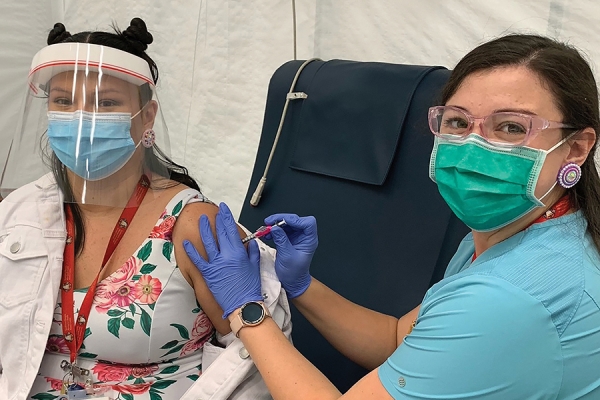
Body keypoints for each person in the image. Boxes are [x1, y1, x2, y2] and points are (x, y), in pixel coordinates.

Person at [184, 34, 600, 399]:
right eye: (457, 122)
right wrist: (302, 286)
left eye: (511, 127)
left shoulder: (513, 296)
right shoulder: (515, 234)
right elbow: (398, 339)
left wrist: (247, 311)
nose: (473, 148)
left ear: (577, 148)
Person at [0, 18, 291, 400]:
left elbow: (255, 361)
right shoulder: (19, 212)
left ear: (147, 116)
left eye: (106, 102)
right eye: (63, 101)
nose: (81, 119)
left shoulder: (193, 225)